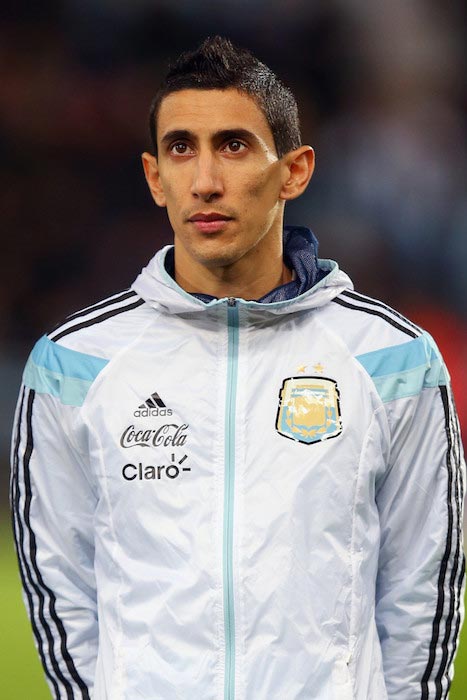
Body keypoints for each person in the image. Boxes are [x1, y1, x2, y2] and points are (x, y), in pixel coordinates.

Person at [10, 36, 465, 700]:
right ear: (153, 176)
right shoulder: (74, 365)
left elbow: (420, 592)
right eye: (180, 149)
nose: (204, 181)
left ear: (295, 171)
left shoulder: (391, 359)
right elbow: (59, 592)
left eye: (233, 145)